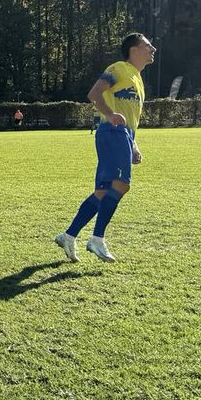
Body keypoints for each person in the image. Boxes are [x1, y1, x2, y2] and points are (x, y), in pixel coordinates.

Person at [55, 33, 156, 263]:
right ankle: (97, 239)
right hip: (112, 132)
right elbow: (93, 93)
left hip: (122, 135)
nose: (153, 49)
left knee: (102, 191)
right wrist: (110, 115)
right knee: (122, 184)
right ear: (134, 49)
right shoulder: (119, 68)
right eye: (148, 45)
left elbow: (130, 117)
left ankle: (69, 236)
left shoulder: (138, 79)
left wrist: (134, 145)